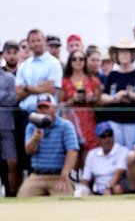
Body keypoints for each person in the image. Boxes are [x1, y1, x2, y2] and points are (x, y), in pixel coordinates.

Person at [17, 94, 79, 196]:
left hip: (58, 175)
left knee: (65, 201)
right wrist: (35, 139)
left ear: (54, 108)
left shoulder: (65, 126)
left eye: (46, 107)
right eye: (40, 107)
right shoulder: (32, 126)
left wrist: (64, 175)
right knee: (22, 197)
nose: (43, 110)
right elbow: (29, 151)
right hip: (37, 174)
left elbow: (72, 151)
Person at [100, 38, 135, 150]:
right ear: (116, 55)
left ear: (132, 55)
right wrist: (115, 97)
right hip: (115, 120)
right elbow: (103, 97)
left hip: (134, 121)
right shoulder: (112, 74)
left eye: (127, 51)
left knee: (132, 151)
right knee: (117, 151)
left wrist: (129, 94)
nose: (124, 55)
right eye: (121, 52)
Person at [60, 50, 101, 155]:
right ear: (70, 61)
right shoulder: (64, 81)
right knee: (72, 151)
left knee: (88, 154)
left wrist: (92, 99)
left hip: (88, 120)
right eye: (74, 59)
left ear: (85, 61)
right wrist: (72, 100)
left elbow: (99, 103)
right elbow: (59, 105)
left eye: (81, 59)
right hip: (71, 120)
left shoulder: (93, 80)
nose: (78, 61)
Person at [15, 29, 63, 114]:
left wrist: (27, 88)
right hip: (25, 113)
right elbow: (18, 93)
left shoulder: (54, 64)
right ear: (29, 44)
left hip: (47, 113)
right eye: (33, 41)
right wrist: (39, 88)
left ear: (44, 41)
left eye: (39, 40)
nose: (36, 44)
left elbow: (51, 91)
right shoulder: (24, 66)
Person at [79, 122, 128, 195]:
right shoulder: (92, 154)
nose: (107, 139)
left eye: (110, 135)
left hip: (115, 188)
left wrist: (108, 188)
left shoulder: (123, 151)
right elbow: (86, 179)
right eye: (103, 136)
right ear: (97, 139)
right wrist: (81, 190)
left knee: (116, 188)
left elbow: (118, 173)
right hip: (99, 192)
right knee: (82, 192)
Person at [0, 51, 18, 196]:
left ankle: (11, 195)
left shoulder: (9, 78)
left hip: (6, 127)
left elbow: (12, 100)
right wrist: (3, 94)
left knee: (12, 162)